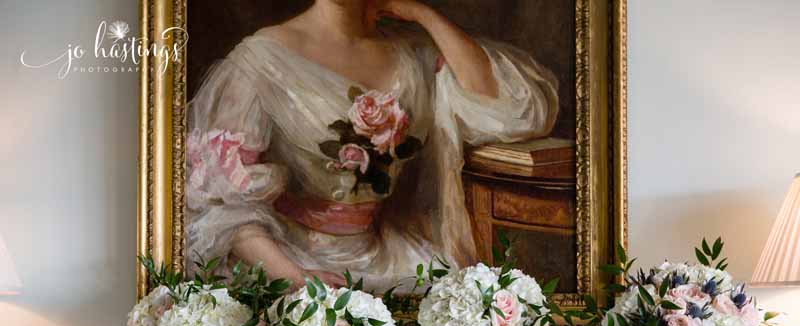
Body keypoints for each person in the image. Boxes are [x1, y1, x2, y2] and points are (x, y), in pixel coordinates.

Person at [186, 0, 559, 291]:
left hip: (385, 253)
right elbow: (220, 203)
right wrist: (296, 277)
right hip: (291, 258)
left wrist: (422, 14)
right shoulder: (261, 59)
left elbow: (512, 111)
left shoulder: (411, 55)